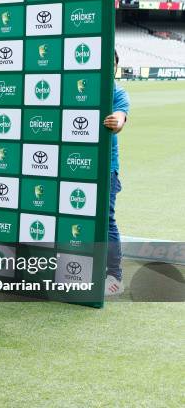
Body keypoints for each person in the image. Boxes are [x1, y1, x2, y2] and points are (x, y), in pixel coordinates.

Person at [103, 50, 130, 296]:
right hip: (77, 166)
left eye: (112, 63)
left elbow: (121, 116)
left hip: (106, 170)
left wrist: (117, 121)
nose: (108, 67)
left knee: (107, 220)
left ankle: (115, 275)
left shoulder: (117, 92)